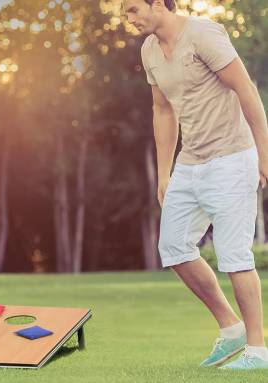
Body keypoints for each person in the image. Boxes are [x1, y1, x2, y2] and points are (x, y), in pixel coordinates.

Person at [124, 0, 268, 369]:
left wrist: (264, 154)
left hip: (232, 157)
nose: (130, 18)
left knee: (234, 254)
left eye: (134, 9)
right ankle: (230, 326)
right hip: (191, 162)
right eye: (126, 12)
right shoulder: (150, 49)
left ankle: (257, 350)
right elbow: (163, 110)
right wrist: (164, 172)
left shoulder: (203, 34)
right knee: (173, 247)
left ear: (159, 4)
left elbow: (245, 89)